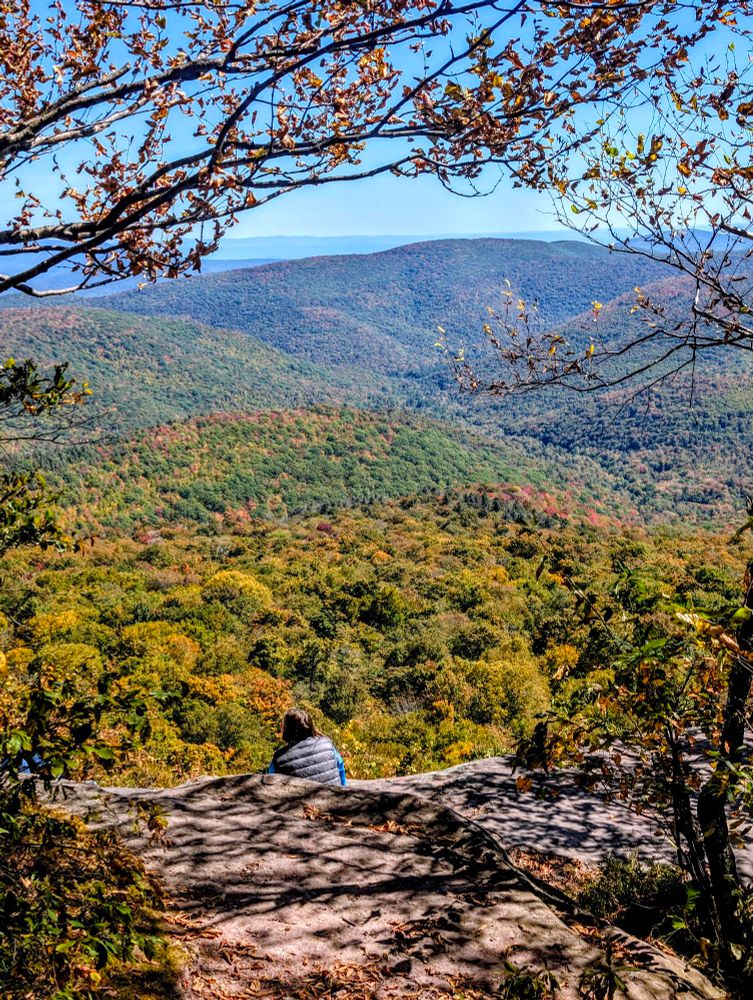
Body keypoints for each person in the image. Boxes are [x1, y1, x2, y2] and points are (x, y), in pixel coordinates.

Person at [267, 708, 346, 786]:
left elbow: (270, 781)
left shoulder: (278, 758)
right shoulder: (327, 744)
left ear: (286, 730)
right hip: (334, 797)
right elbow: (341, 768)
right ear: (311, 726)